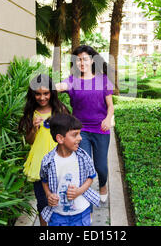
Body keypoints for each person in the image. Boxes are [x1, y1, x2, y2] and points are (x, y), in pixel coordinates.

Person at [56, 45, 114, 202]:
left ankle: (103, 184)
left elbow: (110, 106)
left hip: (101, 129)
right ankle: (85, 193)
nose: (82, 62)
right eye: (78, 60)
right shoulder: (72, 80)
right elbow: (60, 86)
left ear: (92, 61)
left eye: (85, 59)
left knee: (101, 166)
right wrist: (45, 87)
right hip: (80, 131)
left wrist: (108, 119)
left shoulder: (103, 80)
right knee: (83, 164)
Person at [18, 74, 69, 226]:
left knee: (62, 201)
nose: (42, 97)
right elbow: (30, 141)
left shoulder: (60, 110)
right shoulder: (30, 114)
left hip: (60, 162)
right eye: (38, 94)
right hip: (40, 164)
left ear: (52, 93)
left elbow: (69, 136)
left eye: (46, 93)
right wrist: (34, 128)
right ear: (33, 94)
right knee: (43, 203)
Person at [40, 113, 100, 226]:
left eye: (79, 134)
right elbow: (44, 180)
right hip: (57, 214)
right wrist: (48, 195)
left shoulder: (83, 157)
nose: (80, 138)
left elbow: (91, 177)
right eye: (75, 135)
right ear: (60, 138)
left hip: (81, 212)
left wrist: (79, 191)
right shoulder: (48, 161)